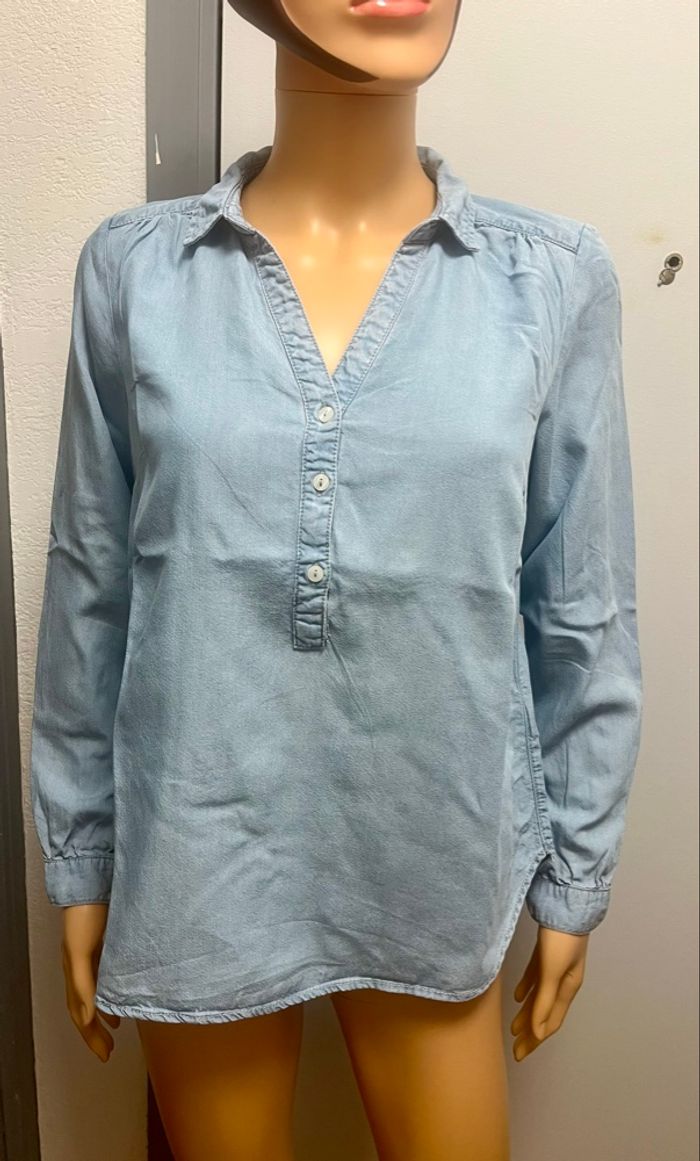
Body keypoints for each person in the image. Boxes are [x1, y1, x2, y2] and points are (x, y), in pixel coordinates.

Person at [29, 1, 643, 1157]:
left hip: (438, 849)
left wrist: (574, 872)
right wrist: (83, 854)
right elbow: (91, 584)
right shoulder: (137, 271)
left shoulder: (550, 278)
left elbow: (580, 603)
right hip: (199, 848)